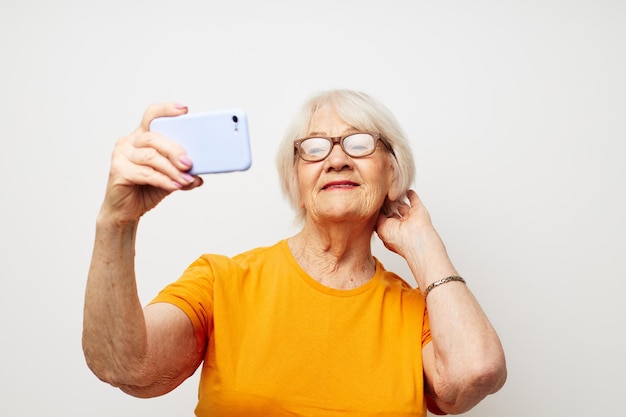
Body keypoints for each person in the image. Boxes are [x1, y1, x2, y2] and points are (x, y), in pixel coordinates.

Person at [82, 89, 506, 416]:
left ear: (392, 171)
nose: (337, 159)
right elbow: (125, 366)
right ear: (295, 179)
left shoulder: (420, 313)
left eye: (359, 143)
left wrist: (423, 242)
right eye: (315, 147)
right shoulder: (222, 280)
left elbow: (475, 374)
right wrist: (116, 222)